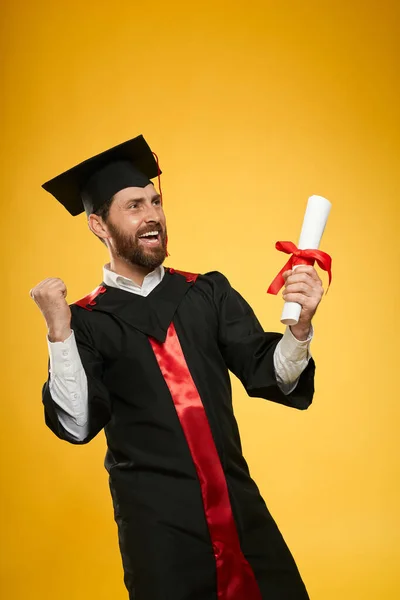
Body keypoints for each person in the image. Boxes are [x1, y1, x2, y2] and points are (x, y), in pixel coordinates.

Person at [30, 134, 324, 600]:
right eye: (133, 206)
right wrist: (58, 333)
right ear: (98, 225)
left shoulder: (205, 293)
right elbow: (79, 421)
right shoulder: (85, 322)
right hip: (158, 534)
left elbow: (272, 374)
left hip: (239, 509)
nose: (152, 216)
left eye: (156, 201)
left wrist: (301, 327)